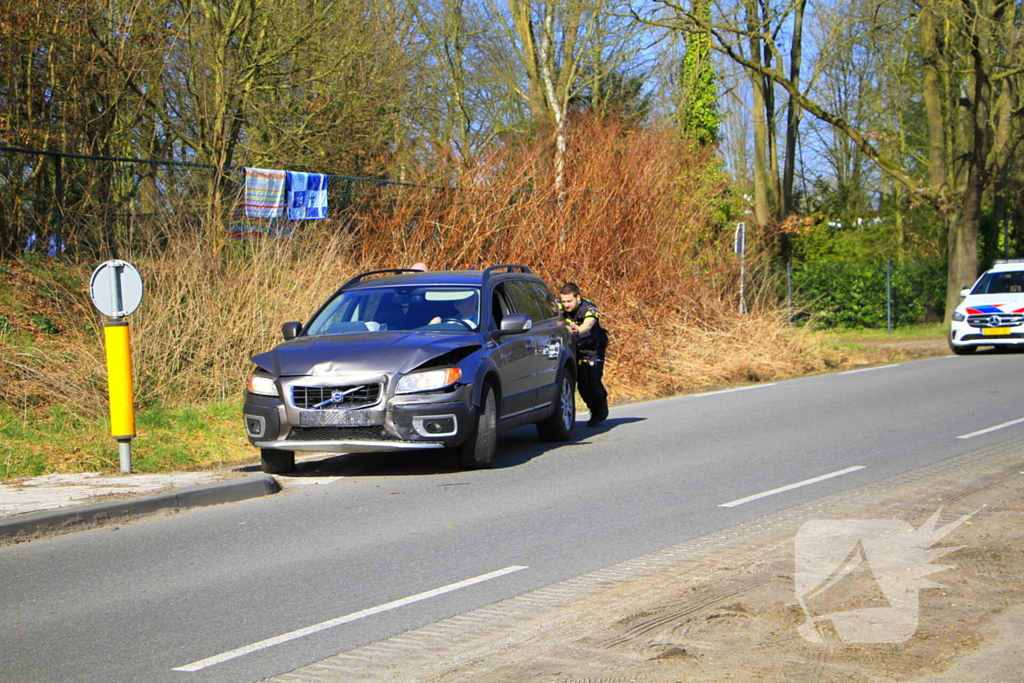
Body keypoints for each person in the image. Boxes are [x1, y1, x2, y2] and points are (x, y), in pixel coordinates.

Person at [559, 282, 609, 426]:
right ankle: (593, 410)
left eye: (569, 301)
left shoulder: (589, 307)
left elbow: (589, 324)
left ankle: (601, 408)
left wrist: (578, 331)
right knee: (581, 385)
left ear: (578, 298)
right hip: (575, 350)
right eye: (564, 301)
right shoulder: (559, 306)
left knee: (593, 382)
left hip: (593, 349)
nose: (566, 305)